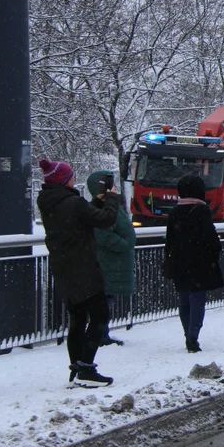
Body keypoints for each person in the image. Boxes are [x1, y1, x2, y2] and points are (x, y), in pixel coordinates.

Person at [36, 158, 118, 385]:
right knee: (100, 315)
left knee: (77, 318)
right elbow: (106, 220)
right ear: (64, 180)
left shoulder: (50, 201)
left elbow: (81, 217)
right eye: (70, 175)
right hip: (84, 268)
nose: (74, 178)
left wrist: (96, 202)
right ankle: (86, 369)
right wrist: (111, 198)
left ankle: (76, 369)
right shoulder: (73, 202)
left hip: (63, 268)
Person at [163, 174, 223, 353]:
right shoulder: (202, 211)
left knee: (184, 300)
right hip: (199, 263)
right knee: (197, 299)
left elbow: (169, 240)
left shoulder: (174, 212)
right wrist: (214, 253)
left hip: (179, 263)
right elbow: (210, 237)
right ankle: (193, 335)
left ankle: (187, 332)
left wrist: (169, 259)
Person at [86, 170, 136, 347]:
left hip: (110, 263)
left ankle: (102, 332)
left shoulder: (107, 207)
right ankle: (100, 334)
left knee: (107, 300)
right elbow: (104, 235)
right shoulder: (101, 209)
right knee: (104, 302)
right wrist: (124, 244)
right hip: (108, 262)